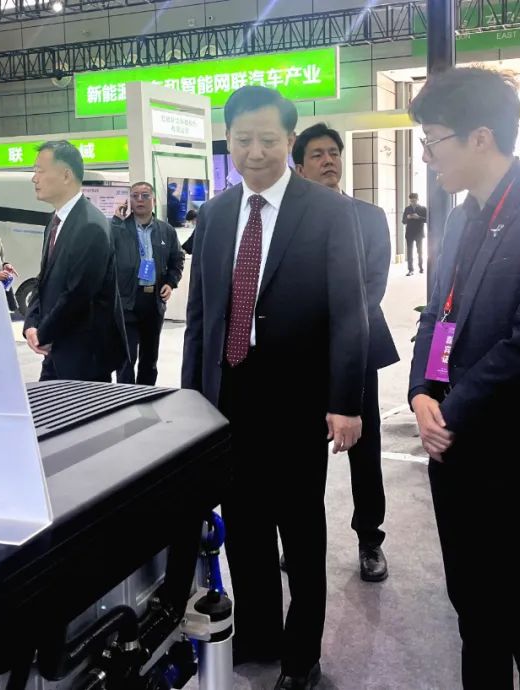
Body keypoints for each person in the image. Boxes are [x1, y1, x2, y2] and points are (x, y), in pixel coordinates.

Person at [407, 67, 520, 690]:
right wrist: (422, 392)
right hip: (455, 451)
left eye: (433, 140)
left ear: (480, 138)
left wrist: (450, 410)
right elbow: (438, 314)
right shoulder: (460, 218)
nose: (427, 156)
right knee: (474, 611)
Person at [182, 86, 367, 690]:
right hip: (229, 396)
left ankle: (301, 654)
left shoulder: (327, 211)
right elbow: (202, 318)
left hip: (297, 400)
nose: (255, 152)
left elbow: (350, 313)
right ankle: (259, 632)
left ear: (289, 140)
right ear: (228, 141)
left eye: (267, 139)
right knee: (245, 527)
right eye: (242, 140)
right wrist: (191, 401)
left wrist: (345, 402)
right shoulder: (215, 215)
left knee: (301, 530)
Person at [292, 122, 399, 583]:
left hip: (356, 351)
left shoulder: (369, 216)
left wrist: (336, 334)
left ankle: (369, 539)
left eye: (333, 152)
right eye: (317, 154)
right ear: (300, 167)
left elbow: (372, 287)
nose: (328, 160)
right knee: (299, 456)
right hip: (299, 359)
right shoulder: (288, 222)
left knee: (364, 448)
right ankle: (298, 538)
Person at [24, 141, 128, 382]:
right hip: (57, 348)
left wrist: (43, 333)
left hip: (83, 355)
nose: (34, 178)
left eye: (40, 170)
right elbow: (43, 279)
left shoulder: (90, 225)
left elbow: (78, 294)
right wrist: (31, 323)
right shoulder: (55, 221)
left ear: (66, 175)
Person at [111, 182, 185, 385]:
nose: (140, 200)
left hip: (153, 301)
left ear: (153, 200)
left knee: (150, 359)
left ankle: (146, 395)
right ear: (129, 201)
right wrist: (116, 222)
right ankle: (126, 398)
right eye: (135, 196)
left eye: (145, 195)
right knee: (126, 359)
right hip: (126, 302)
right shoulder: (119, 228)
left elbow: (177, 259)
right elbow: (106, 253)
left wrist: (170, 282)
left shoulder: (166, 231)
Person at [401, 192, 427, 275]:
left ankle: (421, 267)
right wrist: (408, 218)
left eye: (414, 201)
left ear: (417, 199)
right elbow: (403, 221)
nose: (413, 203)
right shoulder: (407, 209)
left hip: (419, 233)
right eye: (411, 201)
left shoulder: (423, 208)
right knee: (409, 252)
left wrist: (418, 217)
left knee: (420, 251)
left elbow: (427, 220)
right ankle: (410, 270)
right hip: (409, 233)